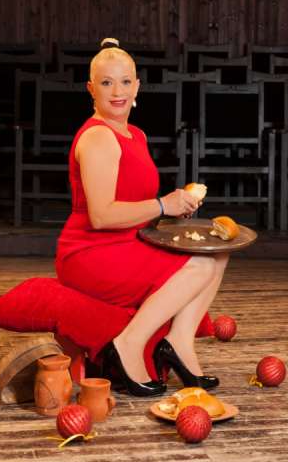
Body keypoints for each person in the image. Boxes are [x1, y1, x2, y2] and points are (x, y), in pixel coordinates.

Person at [55, 38, 229, 397]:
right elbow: (101, 216)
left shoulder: (136, 134)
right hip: (90, 251)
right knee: (198, 266)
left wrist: (176, 208)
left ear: (137, 86)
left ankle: (179, 342)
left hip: (129, 241)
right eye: (106, 83)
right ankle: (127, 344)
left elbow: (137, 202)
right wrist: (163, 205)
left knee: (217, 252)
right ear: (91, 89)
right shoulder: (99, 137)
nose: (117, 91)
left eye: (124, 82)